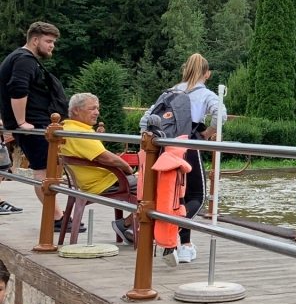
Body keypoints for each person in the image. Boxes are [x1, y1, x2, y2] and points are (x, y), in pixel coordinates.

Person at [140, 54, 220, 265]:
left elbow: (144, 121)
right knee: (198, 196)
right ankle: (170, 235)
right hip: (189, 145)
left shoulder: (169, 93)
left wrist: (153, 143)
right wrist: (207, 133)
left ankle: (184, 247)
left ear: (184, 72)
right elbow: (220, 113)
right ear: (207, 74)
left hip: (164, 148)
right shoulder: (205, 94)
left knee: (178, 197)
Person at [0, 22, 72, 232]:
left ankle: (57, 216)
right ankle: (57, 218)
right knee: (43, 174)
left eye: (53, 42)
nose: (52, 46)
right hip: (33, 125)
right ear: (34, 40)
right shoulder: (24, 60)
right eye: (48, 41)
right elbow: (18, 88)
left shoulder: (19, 58)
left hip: (34, 123)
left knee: (46, 172)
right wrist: (21, 122)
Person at [61, 93, 137, 243]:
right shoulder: (79, 133)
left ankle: (130, 226)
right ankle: (127, 226)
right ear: (76, 110)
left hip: (93, 182)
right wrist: (128, 168)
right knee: (157, 189)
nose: (97, 112)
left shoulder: (65, 127)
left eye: (97, 108)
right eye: (92, 109)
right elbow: (106, 157)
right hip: (103, 183)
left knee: (154, 188)